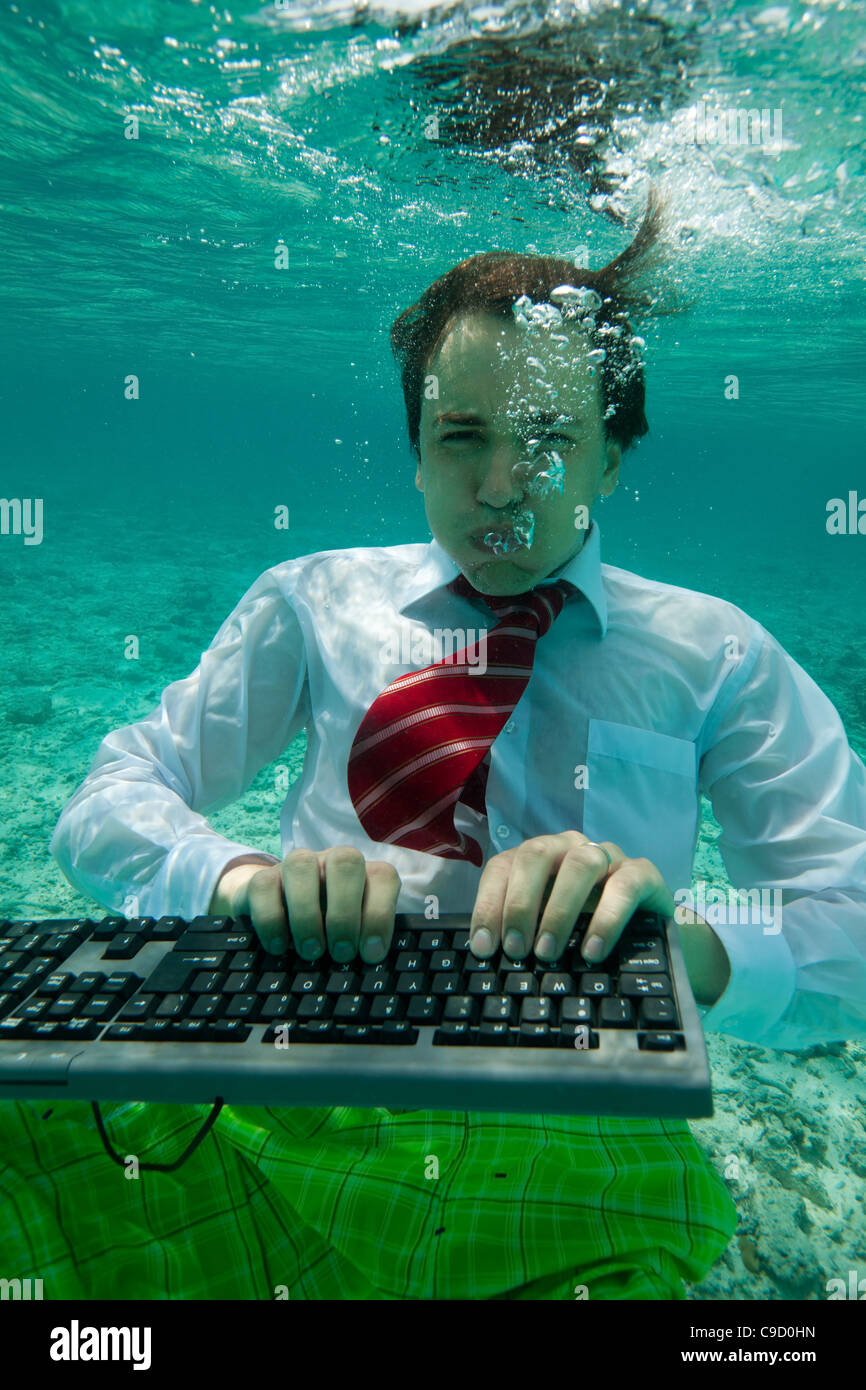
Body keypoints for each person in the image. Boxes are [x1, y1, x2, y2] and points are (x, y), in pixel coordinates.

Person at [1, 192, 863, 1301]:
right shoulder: (309, 602)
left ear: (615, 458)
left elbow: (845, 913)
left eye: (552, 441)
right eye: (461, 438)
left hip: (573, 1131)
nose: (501, 487)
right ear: (415, 450)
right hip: (281, 1092)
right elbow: (115, 793)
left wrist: (687, 944)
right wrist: (233, 877)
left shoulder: (715, 654)